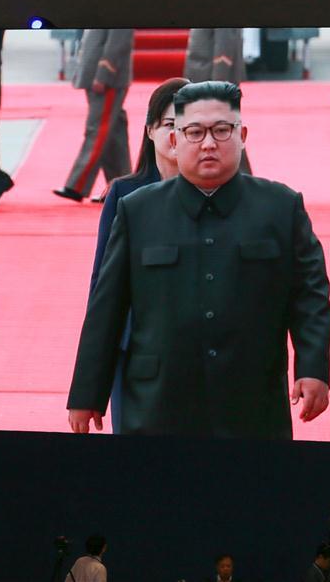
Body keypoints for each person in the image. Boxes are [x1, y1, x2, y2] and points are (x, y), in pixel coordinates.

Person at [66, 80, 330, 437]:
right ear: (174, 139)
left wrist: (313, 368)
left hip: (252, 400)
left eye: (222, 130)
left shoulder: (280, 207)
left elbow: (309, 295)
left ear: (242, 135)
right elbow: (107, 307)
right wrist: (87, 394)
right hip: (157, 402)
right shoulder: (138, 211)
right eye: (194, 132)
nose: (208, 143)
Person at [86, 77, 188, 433]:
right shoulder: (123, 193)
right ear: (150, 130)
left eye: (187, 127)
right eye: (169, 124)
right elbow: (102, 286)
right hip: (135, 351)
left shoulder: (220, 192)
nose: (177, 135)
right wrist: (91, 383)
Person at [54, 29, 134, 202]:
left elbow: (118, 40)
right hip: (96, 73)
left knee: (97, 130)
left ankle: (77, 185)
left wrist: (105, 73)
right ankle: (122, 189)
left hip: (107, 76)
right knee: (113, 135)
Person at [184, 28, 252, 175]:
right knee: (221, 129)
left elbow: (224, 44)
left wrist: (219, 85)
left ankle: (242, 174)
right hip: (204, 77)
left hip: (209, 78)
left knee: (223, 129)